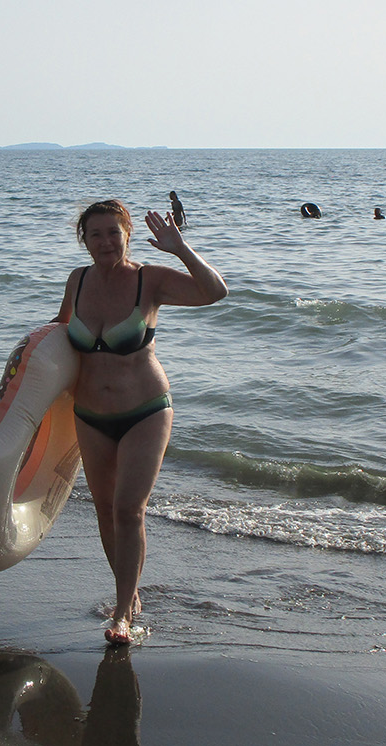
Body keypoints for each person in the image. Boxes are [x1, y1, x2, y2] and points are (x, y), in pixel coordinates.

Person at [54, 199, 228, 645]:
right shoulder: (77, 280)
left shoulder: (149, 280)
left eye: (113, 232)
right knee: (105, 510)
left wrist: (180, 249)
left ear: (127, 234)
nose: (105, 242)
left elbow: (214, 292)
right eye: (95, 234)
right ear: (84, 240)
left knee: (128, 509)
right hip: (90, 415)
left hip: (145, 411)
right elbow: (58, 331)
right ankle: (127, 594)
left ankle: (121, 615)